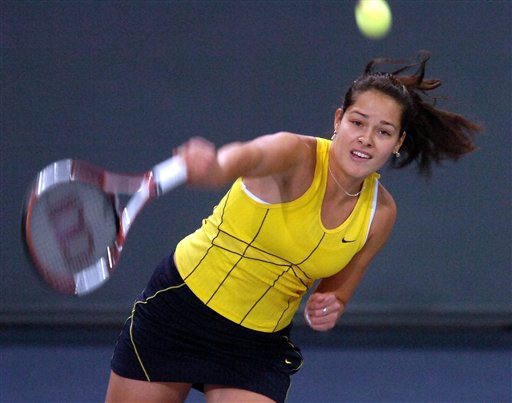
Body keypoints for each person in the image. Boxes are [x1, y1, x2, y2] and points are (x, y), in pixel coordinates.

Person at [105, 51, 480, 403]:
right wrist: (214, 166)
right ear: (338, 120)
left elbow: (338, 290)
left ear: (397, 143)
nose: (366, 138)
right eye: (357, 122)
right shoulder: (293, 155)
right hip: (180, 312)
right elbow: (247, 156)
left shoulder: (380, 213)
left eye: (383, 132)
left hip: (256, 345)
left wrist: (331, 304)